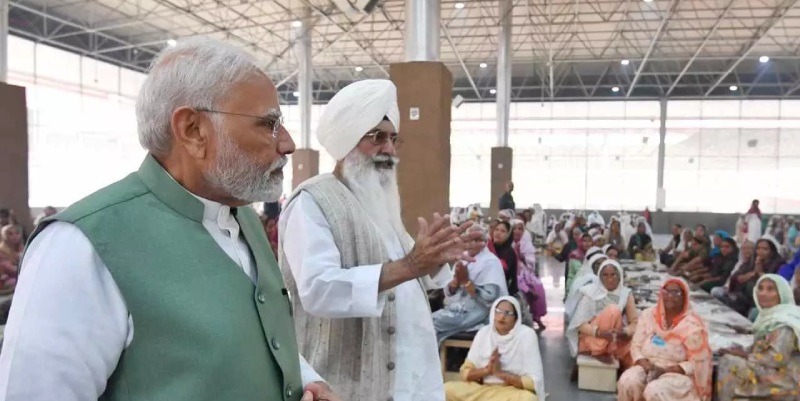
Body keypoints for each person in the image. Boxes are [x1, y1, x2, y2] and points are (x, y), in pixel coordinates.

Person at [0, 38, 337, 401]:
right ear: (192, 130)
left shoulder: (242, 218)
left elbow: (258, 341)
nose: (286, 143)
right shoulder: (81, 247)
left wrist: (310, 384)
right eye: (268, 124)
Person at [279, 79, 481, 401]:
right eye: (376, 137)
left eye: (393, 139)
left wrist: (440, 257)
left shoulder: (379, 205)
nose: (388, 149)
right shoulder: (313, 202)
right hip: (348, 383)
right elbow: (319, 289)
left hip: (413, 379)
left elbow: (409, 277)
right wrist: (412, 264)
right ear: (347, 139)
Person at [617, 278, 712, 401]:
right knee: (628, 381)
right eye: (666, 292)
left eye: (676, 293)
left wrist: (664, 370)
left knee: (655, 390)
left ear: (685, 297)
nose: (670, 296)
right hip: (648, 364)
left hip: (677, 372)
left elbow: (698, 362)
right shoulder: (648, 315)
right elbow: (636, 345)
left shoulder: (693, 325)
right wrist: (645, 364)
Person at [444, 296, 546, 401]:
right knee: (446, 390)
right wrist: (487, 370)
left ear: (516, 318)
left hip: (510, 392)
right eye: (498, 311)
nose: (502, 316)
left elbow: (533, 382)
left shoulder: (526, 335)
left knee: (529, 399)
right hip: (482, 391)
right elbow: (465, 373)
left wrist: (501, 374)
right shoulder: (484, 333)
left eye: (508, 313)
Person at [716, 274, 800, 400]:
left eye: (770, 289)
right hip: (770, 367)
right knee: (728, 356)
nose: (763, 293)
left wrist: (744, 354)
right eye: (760, 288)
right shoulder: (771, 316)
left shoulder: (784, 323)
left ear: (782, 293)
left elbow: (777, 358)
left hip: (785, 377)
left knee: (730, 363)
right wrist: (744, 350)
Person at [433, 225, 508, 343]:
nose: (473, 243)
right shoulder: (464, 257)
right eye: (470, 240)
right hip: (458, 308)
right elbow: (450, 290)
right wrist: (455, 283)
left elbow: (490, 299)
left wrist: (466, 282)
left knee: (430, 323)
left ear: (485, 242)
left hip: (478, 313)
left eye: (477, 240)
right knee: (425, 322)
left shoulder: (490, 262)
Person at [566, 260, 637, 369]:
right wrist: (600, 333)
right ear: (600, 277)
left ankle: (612, 355)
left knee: (637, 353)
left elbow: (634, 322)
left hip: (615, 337)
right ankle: (599, 352)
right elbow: (580, 324)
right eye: (605, 275)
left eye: (613, 275)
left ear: (619, 276)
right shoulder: (591, 292)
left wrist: (624, 332)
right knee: (613, 310)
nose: (610, 279)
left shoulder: (625, 293)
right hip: (592, 339)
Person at [511, 219, 547, 332]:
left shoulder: (526, 244)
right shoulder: (507, 243)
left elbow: (531, 262)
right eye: (514, 228)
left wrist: (523, 258)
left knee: (539, 288)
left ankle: (537, 316)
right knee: (523, 287)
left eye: (520, 229)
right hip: (513, 273)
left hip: (525, 272)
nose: (517, 231)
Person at [489, 221, 519, 296]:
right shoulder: (488, 247)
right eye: (496, 229)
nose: (498, 233)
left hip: (504, 291)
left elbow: (501, 272)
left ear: (508, 235)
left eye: (503, 231)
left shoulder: (509, 252)